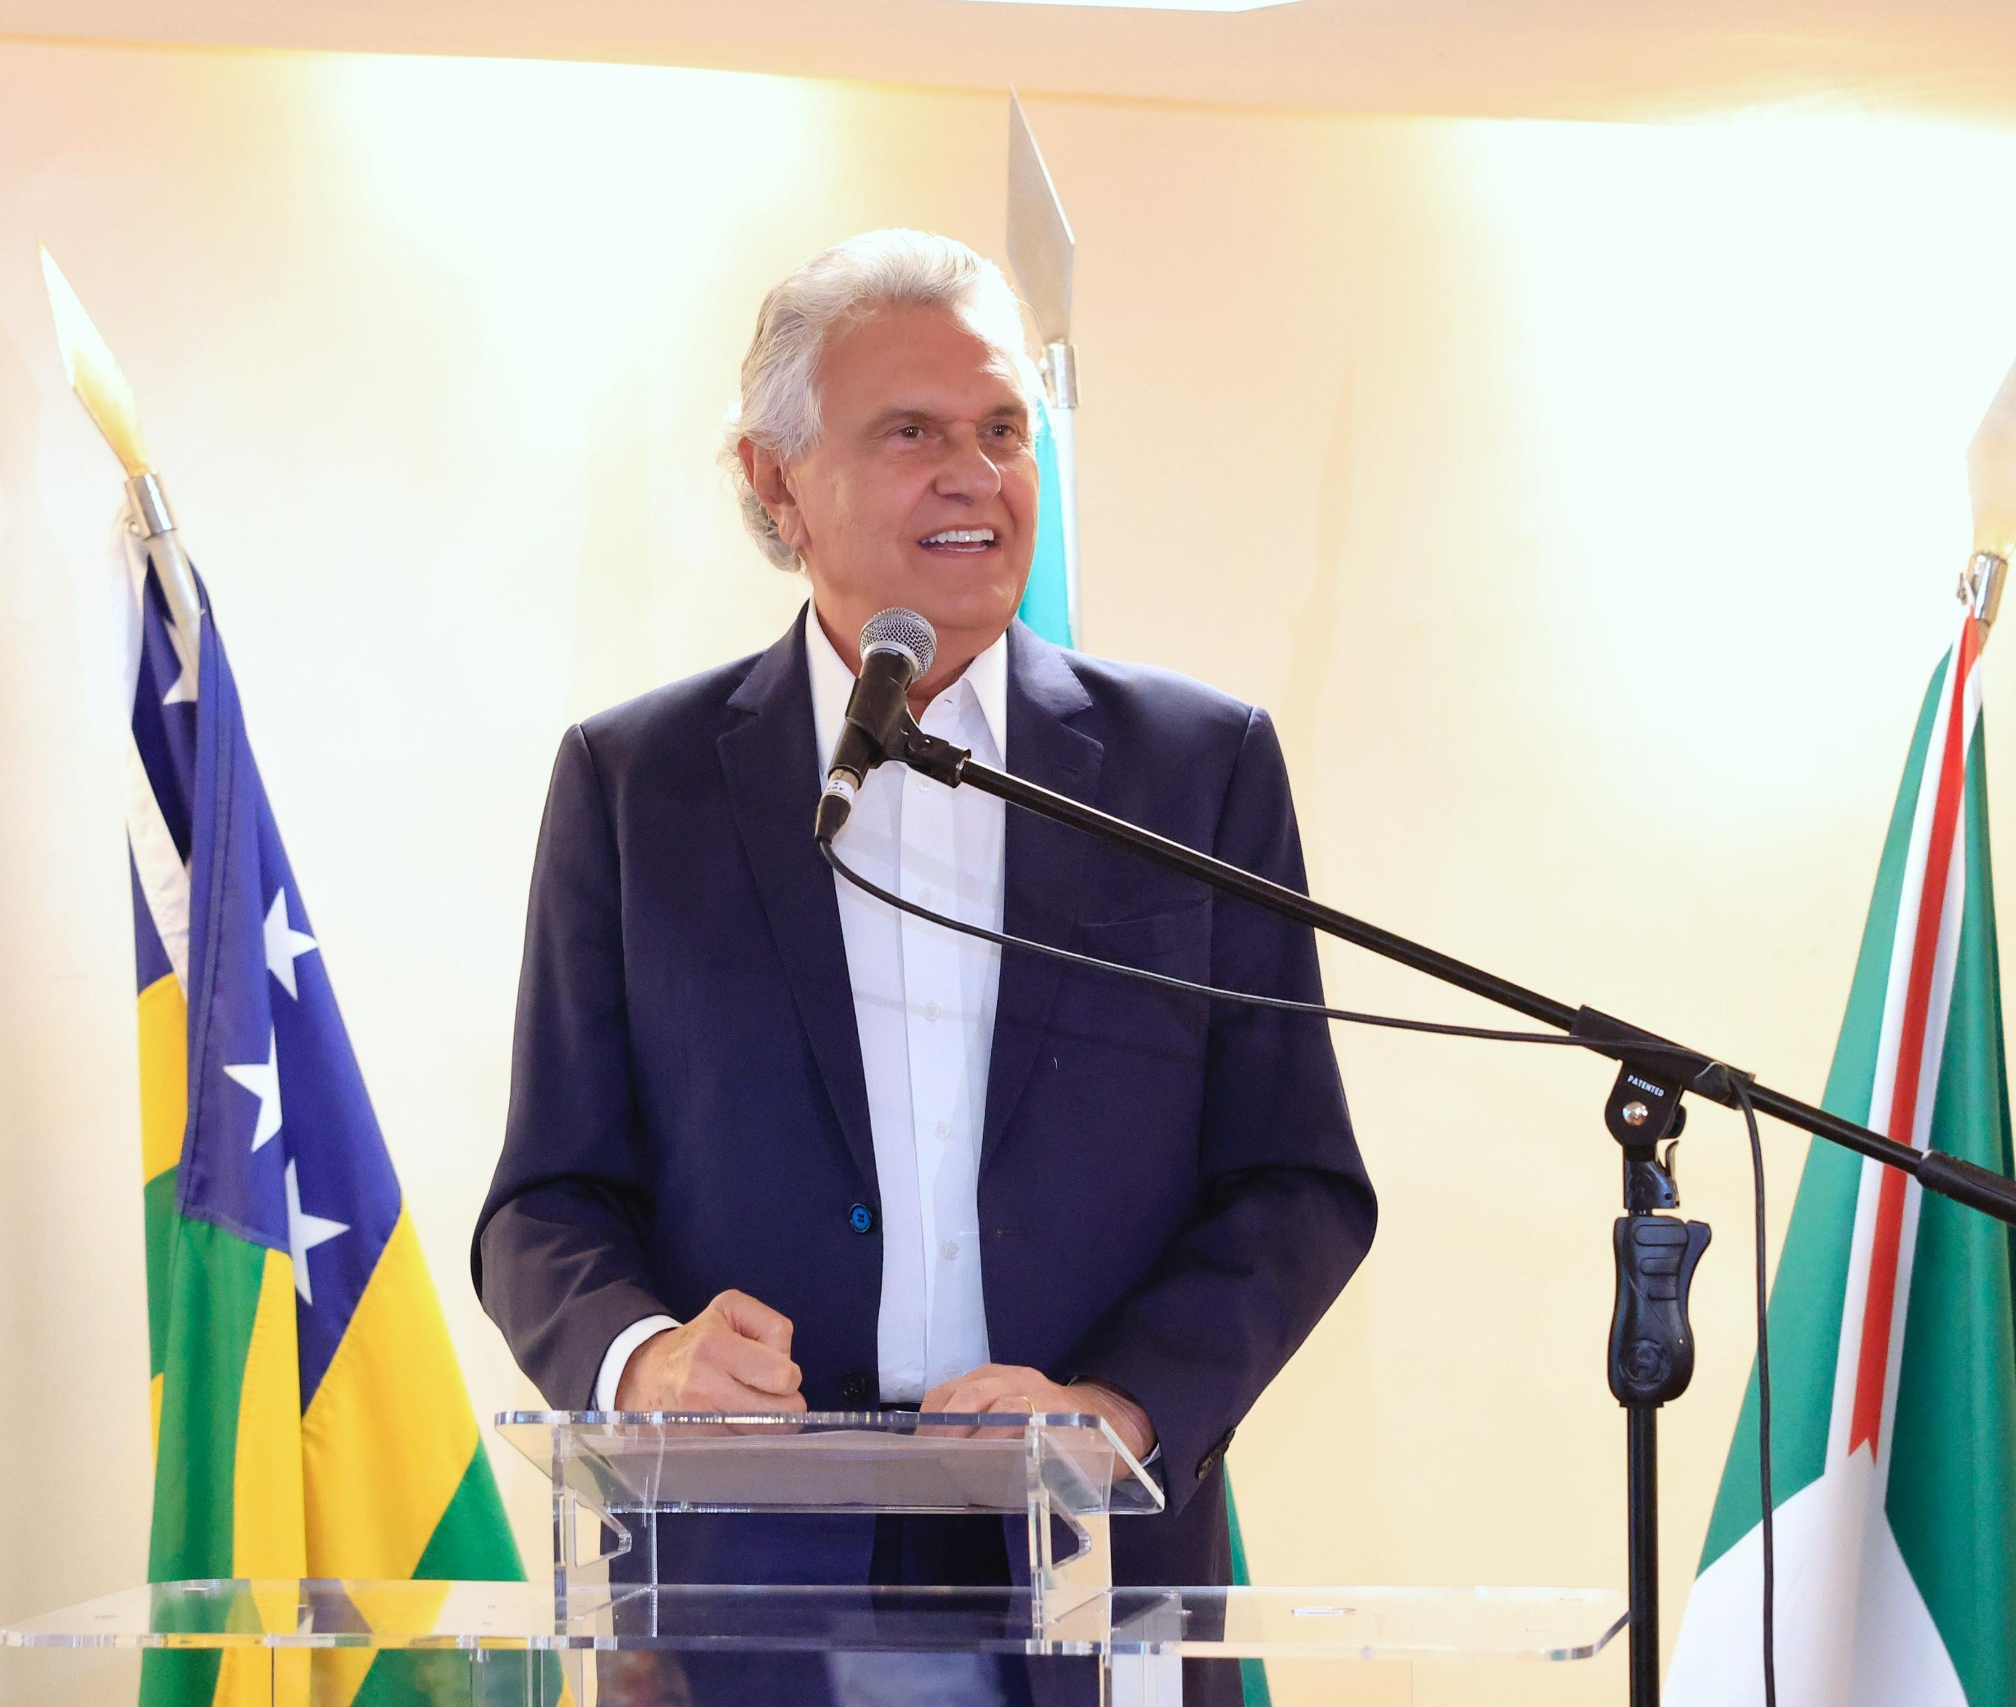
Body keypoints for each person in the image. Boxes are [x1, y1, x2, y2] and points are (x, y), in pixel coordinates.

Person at [474, 229, 1377, 1707]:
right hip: (744, 1581)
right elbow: (547, 1199)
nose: (977, 475)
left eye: (1003, 430)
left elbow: (1294, 1180)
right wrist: (642, 1363)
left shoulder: (1192, 771)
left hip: (1087, 1565)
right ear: (774, 479)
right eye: (911, 434)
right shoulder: (639, 784)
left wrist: (1118, 1408)